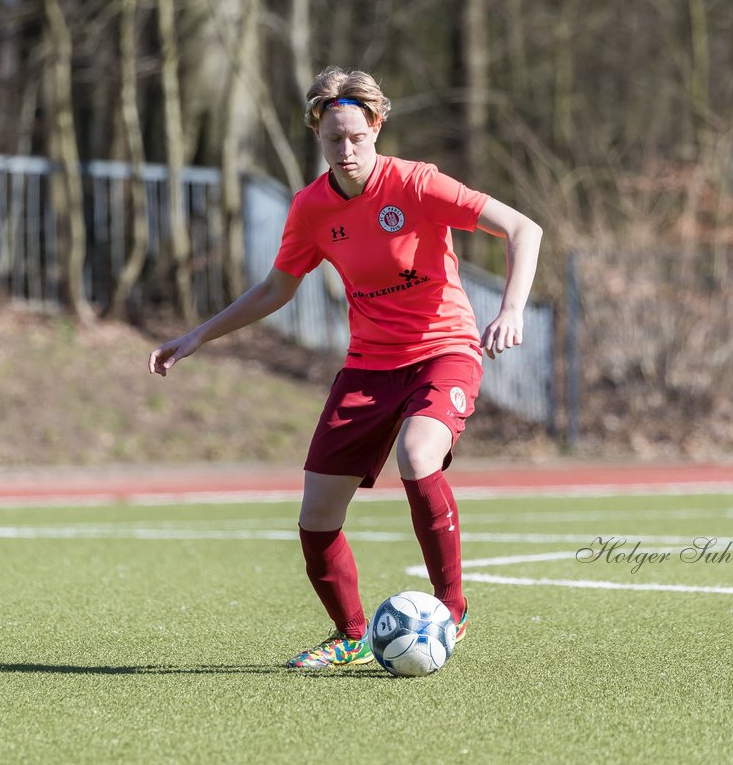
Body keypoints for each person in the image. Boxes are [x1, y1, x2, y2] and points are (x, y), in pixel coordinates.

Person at [148, 66, 542, 668]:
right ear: (319, 137)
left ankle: (452, 608)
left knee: (417, 454)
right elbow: (275, 290)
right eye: (335, 139)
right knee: (317, 515)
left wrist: (511, 308)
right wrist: (199, 334)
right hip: (368, 367)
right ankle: (351, 636)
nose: (348, 149)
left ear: (378, 127)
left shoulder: (416, 184)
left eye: (358, 136)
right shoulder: (310, 208)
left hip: (445, 350)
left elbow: (523, 228)